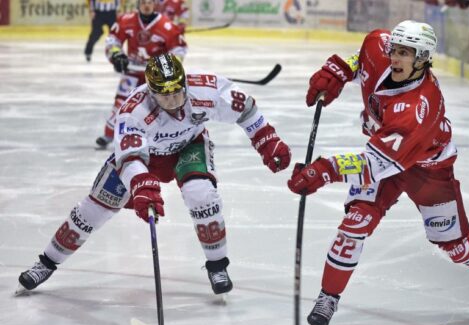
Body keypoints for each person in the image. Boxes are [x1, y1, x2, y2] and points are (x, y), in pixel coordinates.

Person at [16, 53, 291, 297]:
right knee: (92, 210)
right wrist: (141, 185)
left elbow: (246, 109)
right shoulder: (133, 111)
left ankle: (217, 266)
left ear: (184, 84)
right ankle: (47, 262)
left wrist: (267, 140)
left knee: (201, 194)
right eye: (164, 94)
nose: (172, 100)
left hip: (188, 147)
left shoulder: (207, 90)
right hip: (144, 157)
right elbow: (129, 157)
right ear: (150, 92)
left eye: (177, 92)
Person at [287, 20, 469, 325]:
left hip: (428, 171)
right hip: (385, 155)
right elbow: (361, 58)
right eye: (395, 50)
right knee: (354, 224)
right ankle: (328, 296)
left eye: (406, 54)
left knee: (458, 247)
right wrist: (341, 71)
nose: (395, 58)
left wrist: (322, 170)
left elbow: (371, 166)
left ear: (424, 58)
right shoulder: (378, 45)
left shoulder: (418, 108)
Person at [95, 0, 187, 149]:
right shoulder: (126, 20)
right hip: (132, 71)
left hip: (155, 76)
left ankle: (169, 135)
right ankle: (109, 133)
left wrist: (168, 67)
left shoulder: (167, 25)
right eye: (143, 2)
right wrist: (116, 55)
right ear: (138, 4)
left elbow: (179, 49)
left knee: (160, 105)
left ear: (154, 4)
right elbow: (113, 39)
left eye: (149, 2)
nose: (146, 5)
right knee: (121, 102)